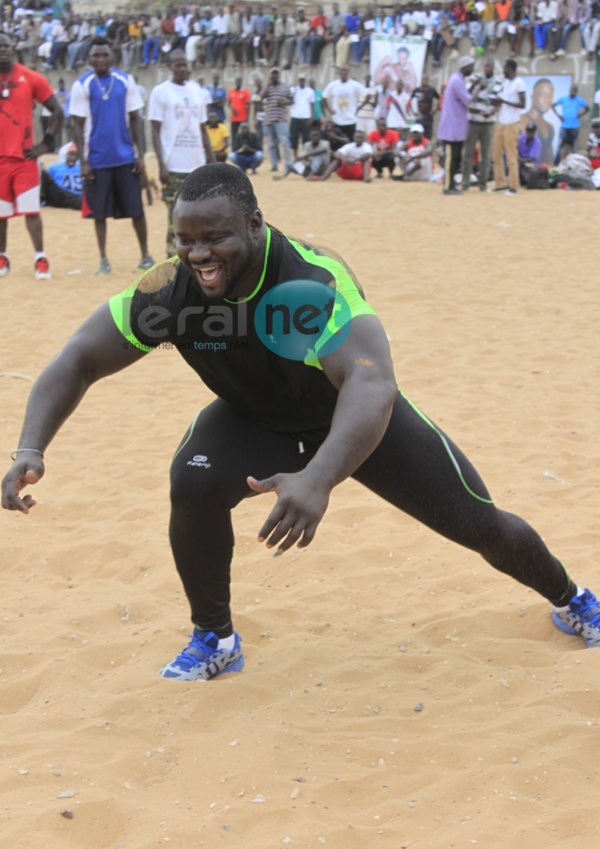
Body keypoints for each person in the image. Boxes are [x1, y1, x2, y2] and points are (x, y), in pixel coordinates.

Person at [4, 162, 600, 683]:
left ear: (256, 225)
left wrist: (318, 477)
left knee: (479, 524)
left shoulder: (308, 282)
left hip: (351, 418)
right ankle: (215, 638)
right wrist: (31, 446)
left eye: (215, 238)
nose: (198, 255)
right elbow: (78, 358)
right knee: (192, 479)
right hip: (256, 419)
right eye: (184, 240)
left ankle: (573, 599)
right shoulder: (169, 289)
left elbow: (371, 382)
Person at [70, 37, 154, 276]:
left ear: (112, 56)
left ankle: (145, 255)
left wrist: (140, 154)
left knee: (137, 210)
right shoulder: (82, 85)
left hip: (125, 157)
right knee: (99, 214)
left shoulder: (125, 81)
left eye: (104, 55)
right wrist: (83, 161)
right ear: (90, 58)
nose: (100, 59)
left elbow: (136, 119)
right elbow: (77, 125)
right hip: (96, 160)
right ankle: (104, 260)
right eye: (96, 55)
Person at [0, 31, 63, 280]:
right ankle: (2, 257)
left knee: (32, 212)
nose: (2, 50)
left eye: (5, 45)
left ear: (13, 48)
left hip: (24, 159)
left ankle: (40, 259)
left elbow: (56, 110)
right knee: (0, 215)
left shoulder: (30, 77)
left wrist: (46, 143)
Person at [148, 50, 214, 258]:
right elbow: (155, 132)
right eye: (177, 65)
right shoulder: (160, 92)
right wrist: (161, 165)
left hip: (197, 165)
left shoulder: (198, 92)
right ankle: (172, 260)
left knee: (201, 214)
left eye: (184, 64)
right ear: (170, 67)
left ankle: (196, 257)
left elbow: (203, 129)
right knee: (175, 217)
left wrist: (212, 161)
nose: (182, 68)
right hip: (174, 165)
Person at [437, 56, 481, 195]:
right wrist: (478, 88)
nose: (472, 70)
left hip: (456, 126)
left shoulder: (458, 79)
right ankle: (447, 186)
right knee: (450, 158)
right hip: (451, 127)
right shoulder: (456, 81)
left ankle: (451, 185)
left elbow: (464, 96)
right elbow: (468, 100)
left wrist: (473, 86)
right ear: (465, 67)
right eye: (471, 67)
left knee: (455, 157)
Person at [462, 59, 502, 192]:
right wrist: (478, 86)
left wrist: (490, 112)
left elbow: (498, 103)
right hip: (473, 120)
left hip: (488, 122)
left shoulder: (498, 83)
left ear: (493, 68)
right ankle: (465, 182)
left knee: (486, 155)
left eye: (490, 66)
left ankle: (483, 183)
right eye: (486, 66)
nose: (487, 68)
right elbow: (466, 95)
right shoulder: (475, 78)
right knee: (468, 153)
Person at [490, 58, 526, 194]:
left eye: (505, 68)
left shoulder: (519, 83)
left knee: (511, 155)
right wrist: (492, 107)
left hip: (512, 122)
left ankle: (514, 186)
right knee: (496, 154)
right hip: (502, 121)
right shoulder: (505, 84)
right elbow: (501, 103)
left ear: (511, 69)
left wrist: (503, 101)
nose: (503, 71)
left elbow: (523, 104)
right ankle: (500, 184)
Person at [261, 66, 292, 175]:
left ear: (279, 75)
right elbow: (261, 97)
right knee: (271, 144)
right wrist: (268, 84)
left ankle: (288, 164)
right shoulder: (268, 87)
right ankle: (274, 164)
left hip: (281, 119)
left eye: (276, 74)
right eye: (272, 74)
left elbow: (291, 100)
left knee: (285, 142)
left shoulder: (285, 87)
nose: (274, 76)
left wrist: (284, 103)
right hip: (268, 119)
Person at [321, 66, 365, 142]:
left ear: (348, 72)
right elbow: (323, 98)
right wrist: (329, 110)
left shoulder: (355, 85)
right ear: (339, 72)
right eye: (342, 71)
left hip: (351, 120)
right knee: (338, 142)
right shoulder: (333, 85)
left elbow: (367, 95)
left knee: (350, 143)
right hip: (337, 120)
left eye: (345, 71)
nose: (343, 72)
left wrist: (359, 108)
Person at [551, 83, 589, 164]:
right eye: (572, 90)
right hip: (564, 126)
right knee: (560, 145)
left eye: (575, 91)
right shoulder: (564, 99)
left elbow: (587, 108)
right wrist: (558, 116)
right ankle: (556, 163)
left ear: (576, 92)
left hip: (574, 126)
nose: (573, 92)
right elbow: (553, 106)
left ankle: (572, 163)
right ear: (569, 90)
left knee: (573, 147)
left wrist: (580, 114)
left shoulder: (579, 100)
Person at [41, 141, 83, 210]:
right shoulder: (55, 166)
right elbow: (50, 184)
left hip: (77, 196)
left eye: (76, 155)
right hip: (60, 194)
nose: (73, 158)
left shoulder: (81, 166)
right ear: (64, 155)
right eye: (70, 155)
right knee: (43, 173)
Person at [227, 75, 251, 140]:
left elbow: (248, 105)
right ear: (235, 82)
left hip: (243, 118)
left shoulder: (246, 92)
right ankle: (234, 149)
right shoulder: (231, 91)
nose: (238, 82)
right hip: (234, 118)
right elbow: (228, 103)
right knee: (234, 135)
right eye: (237, 81)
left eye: (239, 81)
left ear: (241, 82)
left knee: (244, 136)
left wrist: (247, 118)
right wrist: (232, 109)